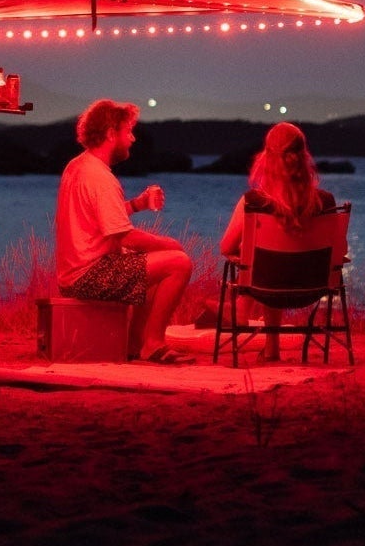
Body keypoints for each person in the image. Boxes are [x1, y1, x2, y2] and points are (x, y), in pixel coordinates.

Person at [55, 99, 194, 364]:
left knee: (149, 264)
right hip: (89, 276)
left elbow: (95, 221)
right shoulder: (101, 178)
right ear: (110, 134)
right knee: (179, 263)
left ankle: (134, 344)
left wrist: (137, 205)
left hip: (73, 274)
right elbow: (124, 236)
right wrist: (168, 244)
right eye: (128, 131)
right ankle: (153, 344)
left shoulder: (78, 166)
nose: (132, 139)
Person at [219, 121, 339, 361]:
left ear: (267, 158)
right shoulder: (326, 202)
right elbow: (339, 250)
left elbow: (225, 248)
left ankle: (242, 314)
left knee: (260, 259)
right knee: (272, 262)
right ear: (304, 157)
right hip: (312, 289)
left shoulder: (253, 202)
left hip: (265, 287)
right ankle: (271, 347)